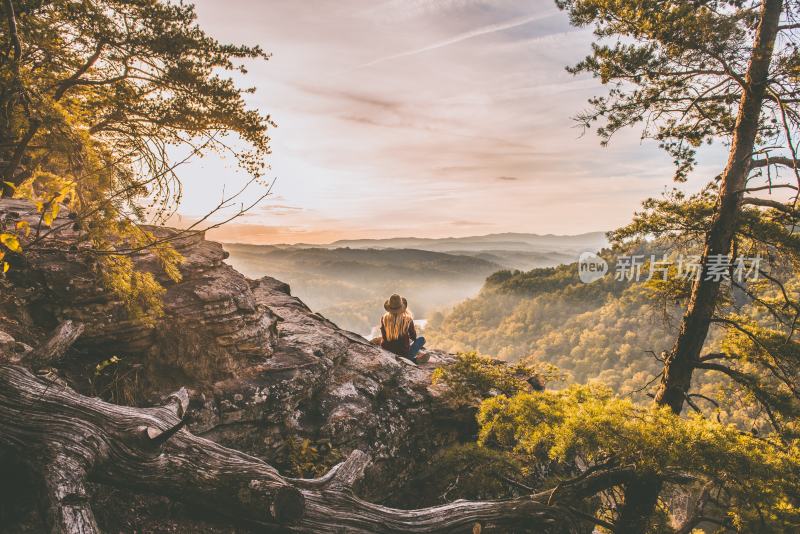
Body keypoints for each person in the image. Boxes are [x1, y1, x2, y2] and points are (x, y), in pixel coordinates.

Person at [379, 294, 429, 364]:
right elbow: (413, 337)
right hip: (403, 354)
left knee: (379, 340)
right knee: (421, 339)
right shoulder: (407, 319)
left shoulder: (384, 318)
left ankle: (411, 360)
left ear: (389, 307)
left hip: (387, 353)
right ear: (401, 307)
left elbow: (384, 336)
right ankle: (412, 360)